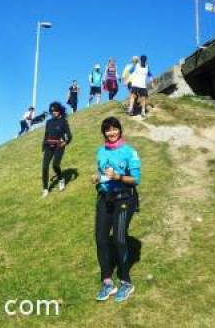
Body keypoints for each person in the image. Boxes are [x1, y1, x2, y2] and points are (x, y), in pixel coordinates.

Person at [91, 117, 141, 302]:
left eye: (114, 129)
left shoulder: (129, 152)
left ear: (120, 130)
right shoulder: (101, 152)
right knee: (101, 239)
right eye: (107, 130)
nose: (111, 133)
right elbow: (102, 173)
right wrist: (97, 177)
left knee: (119, 238)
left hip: (125, 198)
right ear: (103, 133)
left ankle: (126, 282)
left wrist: (119, 176)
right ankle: (107, 282)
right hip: (105, 199)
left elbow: (135, 179)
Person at [42, 102, 72, 198]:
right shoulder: (49, 122)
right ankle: (45, 189)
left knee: (55, 164)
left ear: (59, 110)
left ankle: (60, 179)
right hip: (48, 146)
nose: (53, 112)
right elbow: (46, 135)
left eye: (55, 110)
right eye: (52, 111)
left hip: (59, 145)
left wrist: (65, 142)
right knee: (45, 167)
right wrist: (43, 145)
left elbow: (69, 135)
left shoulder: (63, 121)